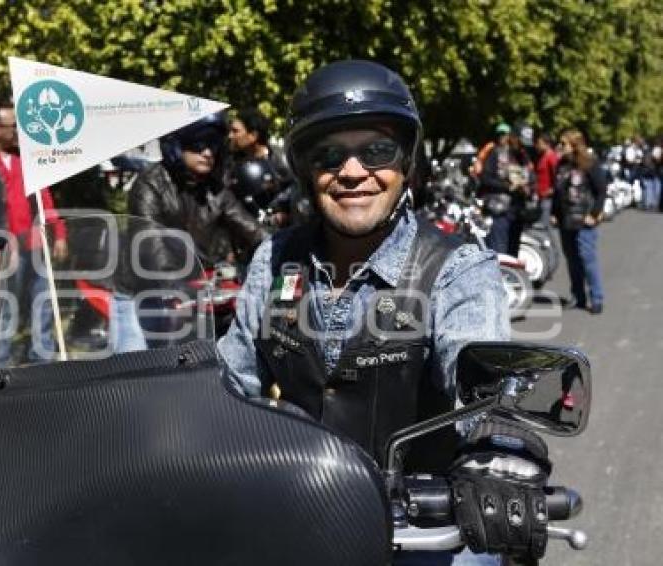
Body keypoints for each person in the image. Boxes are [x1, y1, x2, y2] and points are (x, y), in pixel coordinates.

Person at [218, 60, 550, 564]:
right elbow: (230, 380)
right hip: (300, 514)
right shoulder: (276, 257)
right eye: (330, 155)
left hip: (422, 529)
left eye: (376, 151)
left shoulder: (457, 270)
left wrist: (499, 447)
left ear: (405, 165)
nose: (352, 172)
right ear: (307, 170)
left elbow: (483, 380)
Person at [0, 100, 68, 363]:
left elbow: (45, 199)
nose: (18, 132)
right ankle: (0, 367)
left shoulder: (28, 157)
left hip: (35, 244)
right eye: (12, 127)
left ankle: (43, 362)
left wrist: (59, 234)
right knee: (4, 310)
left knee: (43, 305)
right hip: (4, 248)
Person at [128, 112, 266, 267]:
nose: (207, 153)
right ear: (177, 145)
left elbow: (253, 230)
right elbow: (151, 247)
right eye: (199, 144)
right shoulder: (150, 184)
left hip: (205, 282)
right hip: (152, 284)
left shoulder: (215, 189)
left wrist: (279, 248)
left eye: (213, 145)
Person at [552, 128, 606, 314]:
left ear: (574, 145)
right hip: (565, 220)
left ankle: (597, 297)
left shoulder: (589, 163)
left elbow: (601, 190)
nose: (560, 147)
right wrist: (554, 212)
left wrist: (595, 213)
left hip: (584, 220)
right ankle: (578, 296)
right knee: (572, 260)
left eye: (563, 143)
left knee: (587, 259)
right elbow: (557, 192)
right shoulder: (561, 165)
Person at [228, 108, 299, 227]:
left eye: (235, 131)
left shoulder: (282, 160)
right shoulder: (232, 165)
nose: (230, 136)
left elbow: (297, 190)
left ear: (253, 135)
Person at [479, 123, 535, 255]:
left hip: (518, 213)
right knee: (499, 253)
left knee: (512, 254)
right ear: (513, 137)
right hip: (500, 212)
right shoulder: (497, 153)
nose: (522, 147)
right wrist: (508, 187)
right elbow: (485, 178)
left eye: (526, 145)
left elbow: (532, 181)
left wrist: (528, 189)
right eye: (521, 143)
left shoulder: (525, 158)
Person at [534, 132, 560, 229]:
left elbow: (557, 177)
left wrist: (551, 190)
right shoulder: (542, 157)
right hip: (541, 196)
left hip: (548, 198)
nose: (537, 146)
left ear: (547, 144)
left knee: (545, 226)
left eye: (539, 143)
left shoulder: (551, 157)